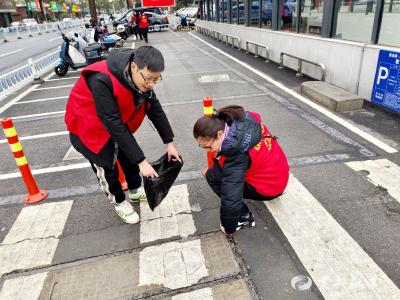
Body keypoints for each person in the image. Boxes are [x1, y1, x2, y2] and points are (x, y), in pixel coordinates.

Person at [65, 46, 181, 224]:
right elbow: (112, 123)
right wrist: (143, 162)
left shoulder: (142, 77)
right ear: (134, 67)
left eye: (156, 80)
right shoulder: (101, 78)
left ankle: (135, 190)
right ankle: (118, 202)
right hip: (89, 127)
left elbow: (154, 107)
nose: (151, 84)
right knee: (107, 167)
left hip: (116, 122)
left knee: (129, 156)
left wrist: (169, 143)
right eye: (149, 79)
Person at [193, 105, 289, 236]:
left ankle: (244, 218)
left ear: (220, 134)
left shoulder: (236, 155)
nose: (209, 151)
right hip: (279, 175)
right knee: (220, 171)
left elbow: (231, 197)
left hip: (271, 188)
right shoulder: (243, 121)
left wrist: (229, 227)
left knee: (213, 177)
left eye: (207, 146)